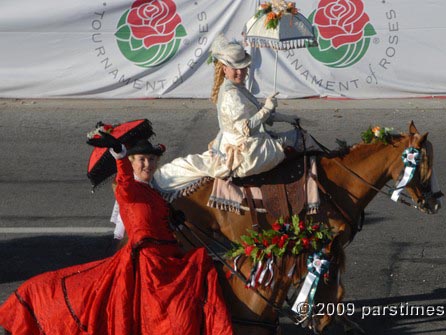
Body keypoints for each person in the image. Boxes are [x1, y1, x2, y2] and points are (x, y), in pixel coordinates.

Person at [0, 133, 233, 335]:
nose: (147, 165)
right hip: (149, 263)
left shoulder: (154, 192)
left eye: (152, 160)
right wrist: (120, 157)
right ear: (132, 162)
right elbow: (124, 181)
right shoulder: (128, 188)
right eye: (141, 159)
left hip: (167, 257)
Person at [154, 33, 302, 198]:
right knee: (299, 139)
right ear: (224, 68)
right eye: (235, 68)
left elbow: (259, 113)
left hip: (246, 139)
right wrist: (267, 109)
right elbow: (245, 128)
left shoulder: (238, 87)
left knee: (294, 136)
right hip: (244, 150)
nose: (240, 72)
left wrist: (288, 118)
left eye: (243, 67)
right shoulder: (232, 94)